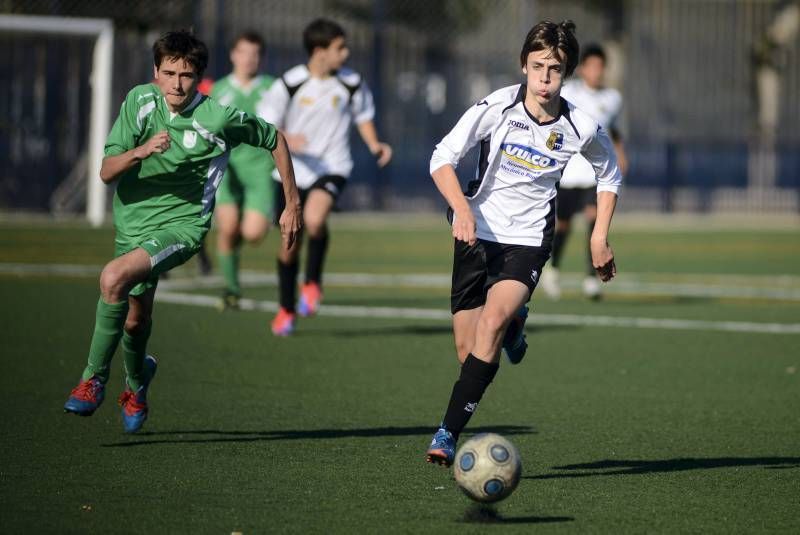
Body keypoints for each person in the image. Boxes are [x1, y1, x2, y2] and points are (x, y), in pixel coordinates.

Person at [62, 30, 301, 433]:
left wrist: (292, 204)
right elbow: (105, 172)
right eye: (168, 73)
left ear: (199, 78)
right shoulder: (139, 102)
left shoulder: (217, 117)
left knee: (112, 277)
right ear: (156, 71)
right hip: (132, 225)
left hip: (183, 227)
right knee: (135, 321)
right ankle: (137, 387)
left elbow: (274, 138)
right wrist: (138, 152)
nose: (176, 83)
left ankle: (92, 379)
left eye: (186, 75)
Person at [424, 20, 622, 466]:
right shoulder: (496, 107)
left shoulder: (580, 126)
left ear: (565, 72)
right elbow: (442, 157)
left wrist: (599, 235)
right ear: (524, 66)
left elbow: (609, 174)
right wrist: (463, 208)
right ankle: (516, 326)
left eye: (554, 68)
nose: (545, 78)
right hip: (475, 233)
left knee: (491, 323)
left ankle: (446, 434)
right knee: (467, 349)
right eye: (537, 67)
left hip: (529, 240)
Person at [257, 18, 392, 336]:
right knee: (289, 244)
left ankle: (313, 283)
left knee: (315, 220)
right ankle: (286, 309)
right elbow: (266, 125)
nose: (345, 53)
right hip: (291, 173)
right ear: (319, 51)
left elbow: (364, 117)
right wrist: (288, 137)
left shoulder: (351, 83)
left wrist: (375, 145)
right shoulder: (288, 84)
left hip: (333, 166)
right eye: (339, 48)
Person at [542, 43, 628, 300]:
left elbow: (612, 131)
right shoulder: (569, 93)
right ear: (582, 69)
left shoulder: (613, 99)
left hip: (595, 174)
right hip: (568, 173)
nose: (596, 72)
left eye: (600, 67)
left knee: (594, 218)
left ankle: (591, 277)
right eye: (591, 66)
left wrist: (621, 155)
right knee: (564, 226)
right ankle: (554, 270)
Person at [212, 31, 278, 309]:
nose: (249, 59)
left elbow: (285, 123)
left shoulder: (273, 88)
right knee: (227, 226)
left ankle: (233, 249)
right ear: (233, 55)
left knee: (252, 234)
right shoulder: (219, 90)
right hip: (227, 169)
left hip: (261, 169)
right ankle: (231, 288)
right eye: (244, 52)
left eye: (255, 53)